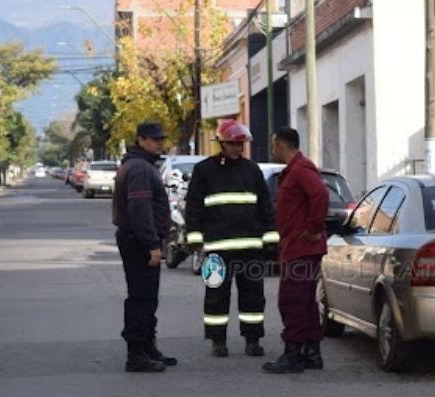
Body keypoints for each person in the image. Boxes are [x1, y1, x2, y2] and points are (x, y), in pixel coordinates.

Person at [185, 120, 276, 358]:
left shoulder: (252, 170)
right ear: (221, 144)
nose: (238, 148)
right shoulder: (204, 170)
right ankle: (218, 341)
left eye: (241, 144)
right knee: (216, 295)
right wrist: (194, 237)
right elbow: (193, 205)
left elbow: (265, 207)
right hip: (216, 249)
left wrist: (271, 238)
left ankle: (253, 340)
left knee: (254, 296)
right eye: (233, 144)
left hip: (250, 247)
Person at [262, 127, 329, 374]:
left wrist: (312, 229)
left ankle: (293, 354)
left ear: (280, 144)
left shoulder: (301, 170)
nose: (272, 149)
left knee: (291, 300)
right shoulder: (293, 171)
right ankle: (311, 353)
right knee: (305, 302)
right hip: (296, 246)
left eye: (273, 144)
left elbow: (320, 195)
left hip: (301, 247)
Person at [112, 122, 177, 373]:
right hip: (139, 243)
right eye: (154, 139)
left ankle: (148, 347)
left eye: (161, 138)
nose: (159, 142)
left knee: (148, 298)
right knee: (142, 299)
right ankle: (137, 354)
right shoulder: (139, 168)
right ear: (141, 140)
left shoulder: (140, 165)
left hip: (137, 240)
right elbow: (140, 210)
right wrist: (152, 244)